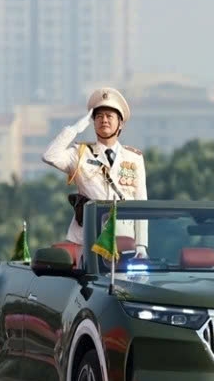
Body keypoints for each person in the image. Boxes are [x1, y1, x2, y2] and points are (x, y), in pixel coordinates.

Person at [41, 87, 148, 257]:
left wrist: (141, 245)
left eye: (109, 116)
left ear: (120, 123)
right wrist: (74, 129)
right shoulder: (81, 153)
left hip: (124, 239)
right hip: (88, 238)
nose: (104, 120)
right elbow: (49, 156)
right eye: (98, 116)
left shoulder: (133, 158)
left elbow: (141, 204)